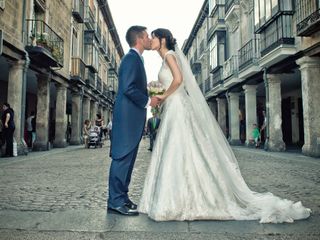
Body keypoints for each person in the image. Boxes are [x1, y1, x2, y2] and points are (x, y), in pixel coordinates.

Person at [138, 28, 311, 223]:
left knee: (177, 148)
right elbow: (173, 82)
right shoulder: (165, 59)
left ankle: (176, 201)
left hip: (177, 107)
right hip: (173, 106)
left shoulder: (170, 55)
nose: (150, 40)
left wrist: (162, 95)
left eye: (153, 36)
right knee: (177, 149)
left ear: (161, 40)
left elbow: (179, 80)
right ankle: (173, 196)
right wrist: (160, 93)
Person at [107, 26, 160, 216]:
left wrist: (148, 90)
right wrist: (148, 100)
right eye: (146, 36)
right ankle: (115, 201)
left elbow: (133, 86)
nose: (148, 38)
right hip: (127, 118)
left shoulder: (136, 59)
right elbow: (128, 88)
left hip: (132, 118)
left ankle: (122, 197)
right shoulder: (131, 58)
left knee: (128, 160)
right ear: (139, 38)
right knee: (122, 158)